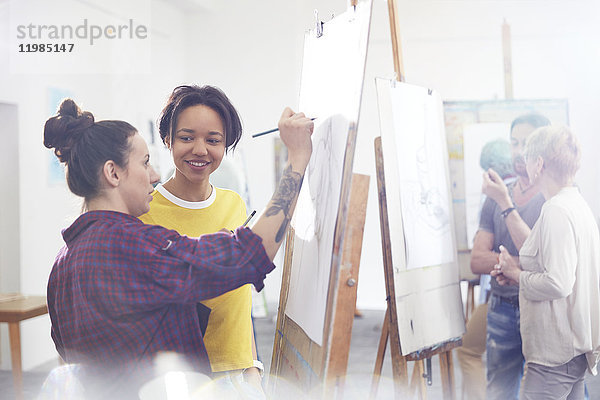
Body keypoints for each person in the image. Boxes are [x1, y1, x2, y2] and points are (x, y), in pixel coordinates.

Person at [43, 98, 314, 398]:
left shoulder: (62, 262)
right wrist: (297, 160)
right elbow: (249, 254)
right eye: (145, 162)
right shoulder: (136, 246)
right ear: (113, 173)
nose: (154, 175)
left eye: (213, 139)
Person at [138, 85, 262, 387]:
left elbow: (239, 299)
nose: (200, 149)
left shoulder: (234, 204)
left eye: (213, 140)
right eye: (187, 137)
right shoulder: (145, 212)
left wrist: (252, 369)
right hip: (181, 379)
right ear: (167, 139)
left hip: (239, 376)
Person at [495, 126, 600, 399]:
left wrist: (517, 274)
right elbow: (562, 269)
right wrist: (518, 272)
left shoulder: (556, 210)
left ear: (539, 164)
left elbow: (558, 282)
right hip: (571, 351)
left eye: (527, 158)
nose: (524, 164)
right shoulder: (576, 204)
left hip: (554, 355)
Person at [468, 114, 550, 399]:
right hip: (501, 308)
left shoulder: (553, 199)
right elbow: (477, 260)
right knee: (499, 392)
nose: (519, 150)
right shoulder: (496, 193)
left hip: (542, 310)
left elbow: (547, 264)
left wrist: (520, 266)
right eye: (514, 142)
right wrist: (517, 265)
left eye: (526, 142)